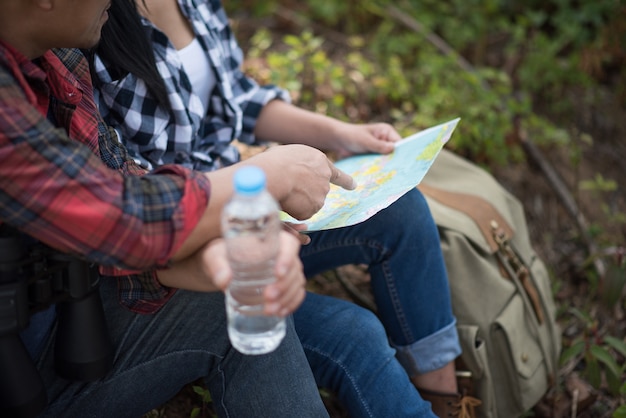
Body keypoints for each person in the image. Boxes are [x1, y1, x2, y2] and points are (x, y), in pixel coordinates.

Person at [90, 0, 482, 416]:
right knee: (355, 334)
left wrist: (343, 134)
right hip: (186, 246)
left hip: (250, 203)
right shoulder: (88, 23)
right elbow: (126, 194)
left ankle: (446, 399)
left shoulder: (194, 3)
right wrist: (264, 177)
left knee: (401, 209)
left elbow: (239, 98)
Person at [0, 1, 359, 417]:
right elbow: (119, 216)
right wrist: (266, 176)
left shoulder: (57, 60)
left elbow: (116, 183)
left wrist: (205, 257)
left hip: (51, 326)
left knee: (239, 300)